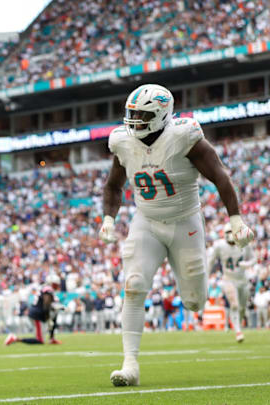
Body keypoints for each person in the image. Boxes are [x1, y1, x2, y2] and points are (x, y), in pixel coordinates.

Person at [99, 84, 255, 386]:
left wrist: (235, 220)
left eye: (141, 115)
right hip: (146, 221)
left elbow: (220, 176)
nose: (134, 121)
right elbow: (112, 185)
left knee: (195, 302)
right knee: (134, 285)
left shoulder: (184, 136)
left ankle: (195, 297)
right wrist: (108, 218)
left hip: (187, 223)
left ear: (161, 114)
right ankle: (129, 364)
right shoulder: (123, 142)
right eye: (132, 114)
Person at [208, 222, 256, 342]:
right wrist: (206, 276)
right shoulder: (219, 246)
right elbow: (210, 261)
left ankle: (237, 325)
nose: (230, 235)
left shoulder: (244, 244)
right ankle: (238, 331)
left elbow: (254, 258)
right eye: (228, 232)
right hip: (228, 279)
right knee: (234, 305)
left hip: (242, 280)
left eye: (232, 232)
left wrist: (247, 264)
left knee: (242, 308)